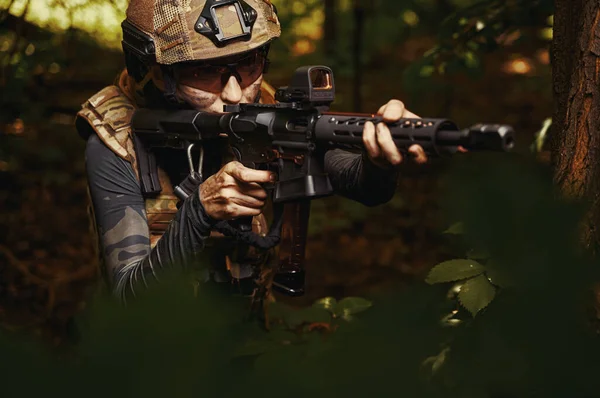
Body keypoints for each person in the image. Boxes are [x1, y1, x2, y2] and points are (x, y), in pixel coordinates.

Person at [75, 0, 428, 302]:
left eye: (248, 63)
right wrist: (199, 211)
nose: (234, 93)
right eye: (204, 71)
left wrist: (378, 160)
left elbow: (358, 182)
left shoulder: (262, 107)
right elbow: (129, 298)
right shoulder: (115, 140)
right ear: (154, 72)